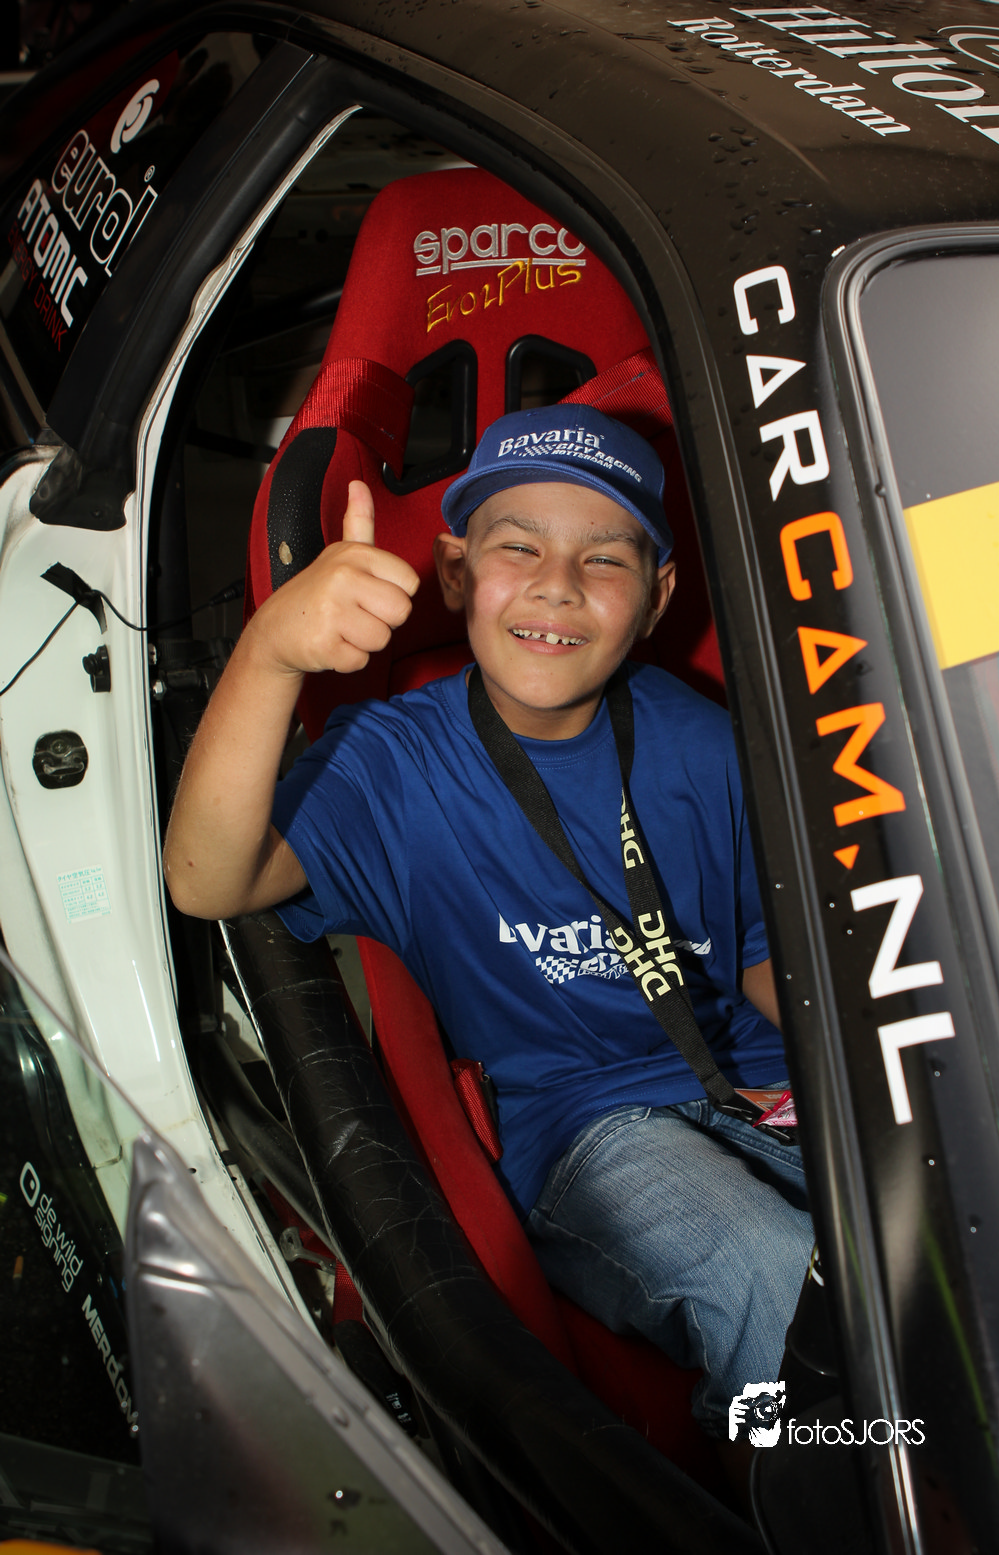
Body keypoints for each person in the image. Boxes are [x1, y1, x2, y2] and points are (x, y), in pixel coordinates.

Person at [163, 404, 813, 1442]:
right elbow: (205, 879)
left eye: (604, 558)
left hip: (755, 1082)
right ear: (456, 573)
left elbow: (757, 954)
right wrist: (271, 653)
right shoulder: (390, 764)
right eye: (518, 548)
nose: (557, 584)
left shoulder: (703, 741)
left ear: (656, 598)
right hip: (589, 1127)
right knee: (765, 1269)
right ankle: (810, 1483)